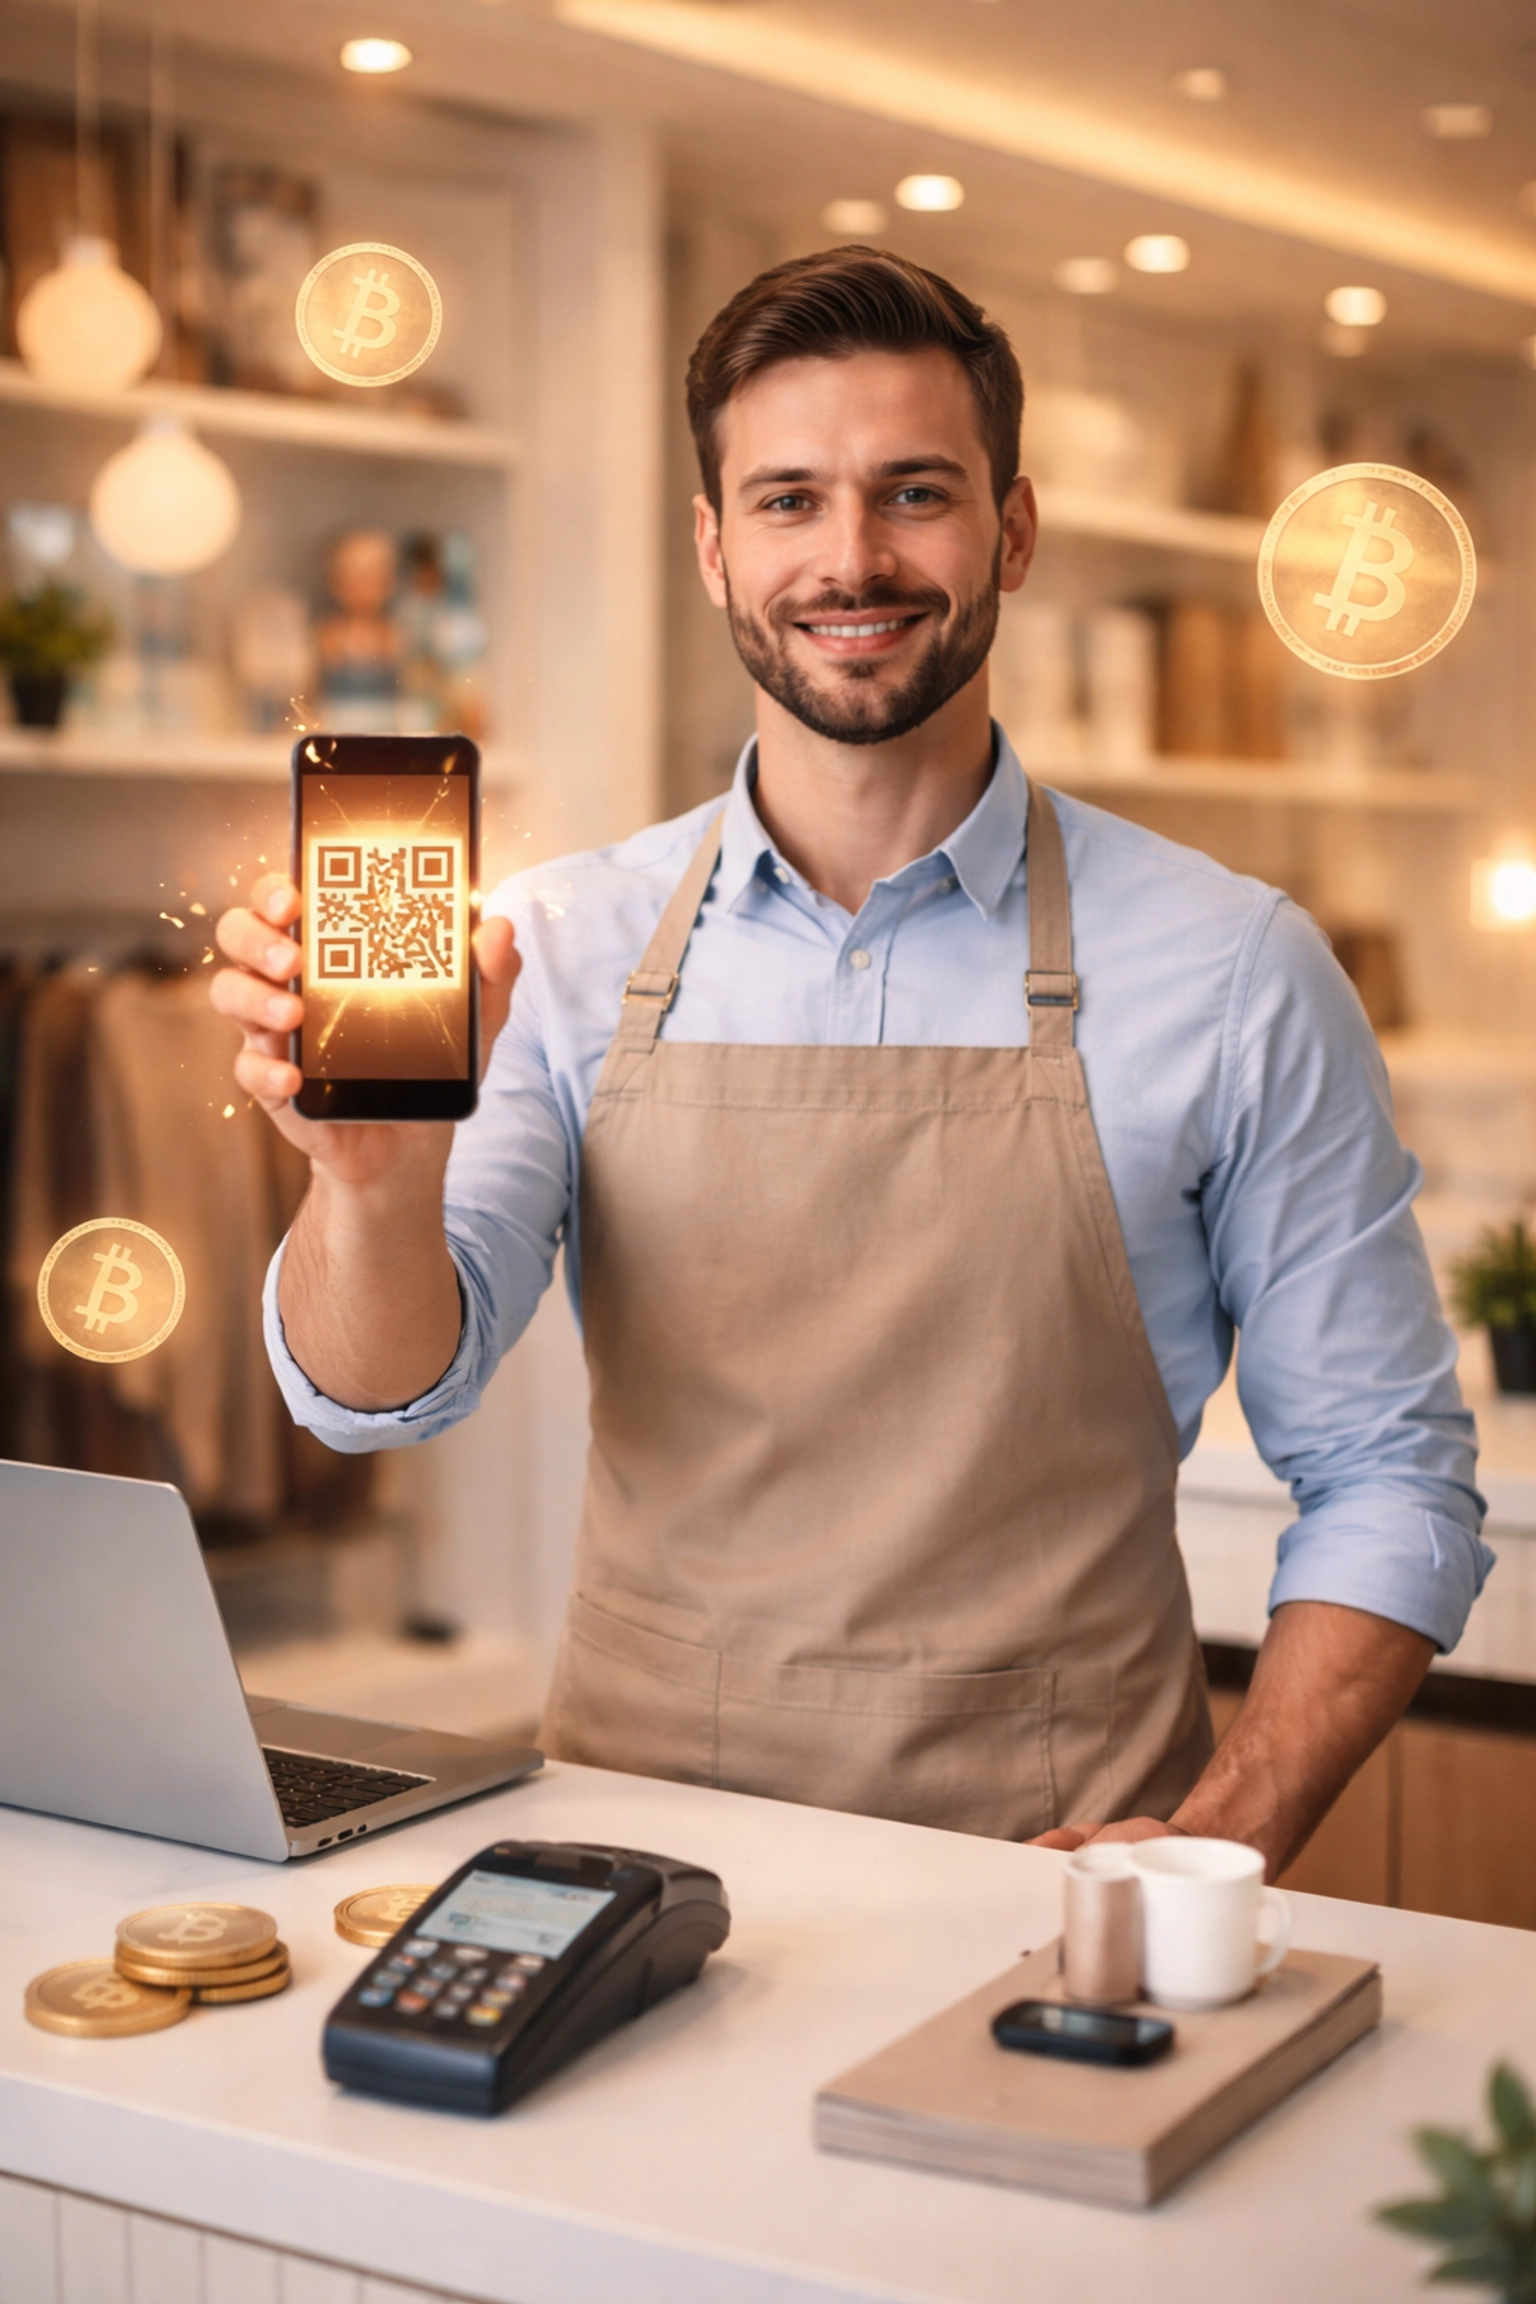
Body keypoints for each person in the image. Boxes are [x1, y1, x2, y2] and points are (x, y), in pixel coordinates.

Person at [212, 247, 1488, 1875]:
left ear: (1011, 531)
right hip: (630, 1862)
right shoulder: (561, 943)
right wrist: (371, 1190)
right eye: (791, 500)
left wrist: (1210, 1842)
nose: (853, 557)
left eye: (915, 494)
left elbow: (1389, 1476)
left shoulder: (1234, 969)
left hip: (1053, 1885)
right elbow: (381, 1402)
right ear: (713, 544)